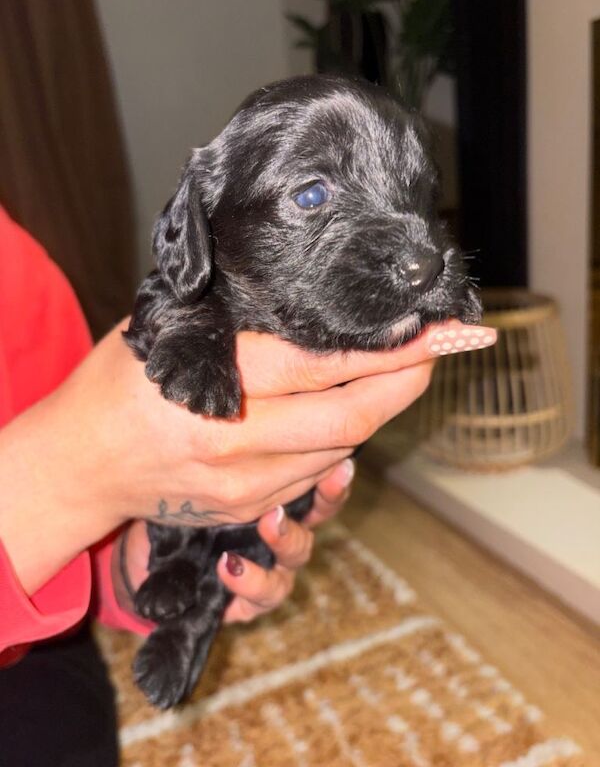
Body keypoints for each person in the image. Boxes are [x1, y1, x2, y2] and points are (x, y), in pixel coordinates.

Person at [0, 206, 495, 765]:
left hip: (33, 650)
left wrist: (120, 561)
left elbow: (75, 532)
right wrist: (70, 479)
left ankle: (190, 603)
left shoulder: (15, 262)